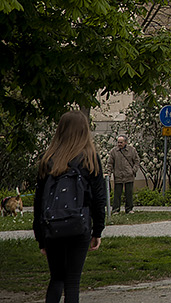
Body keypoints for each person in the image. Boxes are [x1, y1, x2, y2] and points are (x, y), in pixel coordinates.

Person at [34, 110, 107, 303]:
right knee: (73, 282)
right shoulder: (90, 158)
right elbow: (99, 199)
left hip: (52, 225)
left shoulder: (48, 159)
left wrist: (41, 237)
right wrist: (97, 230)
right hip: (79, 223)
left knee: (56, 278)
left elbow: (39, 200)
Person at [109, 134, 140, 215]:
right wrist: (108, 173)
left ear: (125, 142)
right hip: (118, 176)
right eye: (118, 142)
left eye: (121, 142)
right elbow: (110, 163)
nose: (119, 144)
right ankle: (115, 209)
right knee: (117, 194)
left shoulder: (132, 150)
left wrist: (133, 171)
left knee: (129, 194)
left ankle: (129, 209)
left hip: (129, 175)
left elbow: (137, 161)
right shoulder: (113, 151)